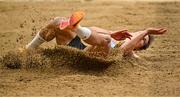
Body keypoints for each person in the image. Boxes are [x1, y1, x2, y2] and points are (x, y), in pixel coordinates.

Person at [25, 11, 167, 58]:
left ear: (139, 48)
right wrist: (112, 33)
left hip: (86, 58)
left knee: (105, 40)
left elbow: (124, 50)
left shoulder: (131, 53)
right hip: (78, 46)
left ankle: (77, 27)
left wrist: (146, 31)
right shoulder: (117, 36)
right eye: (141, 36)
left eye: (144, 40)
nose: (141, 39)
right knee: (58, 22)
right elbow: (91, 28)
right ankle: (27, 50)